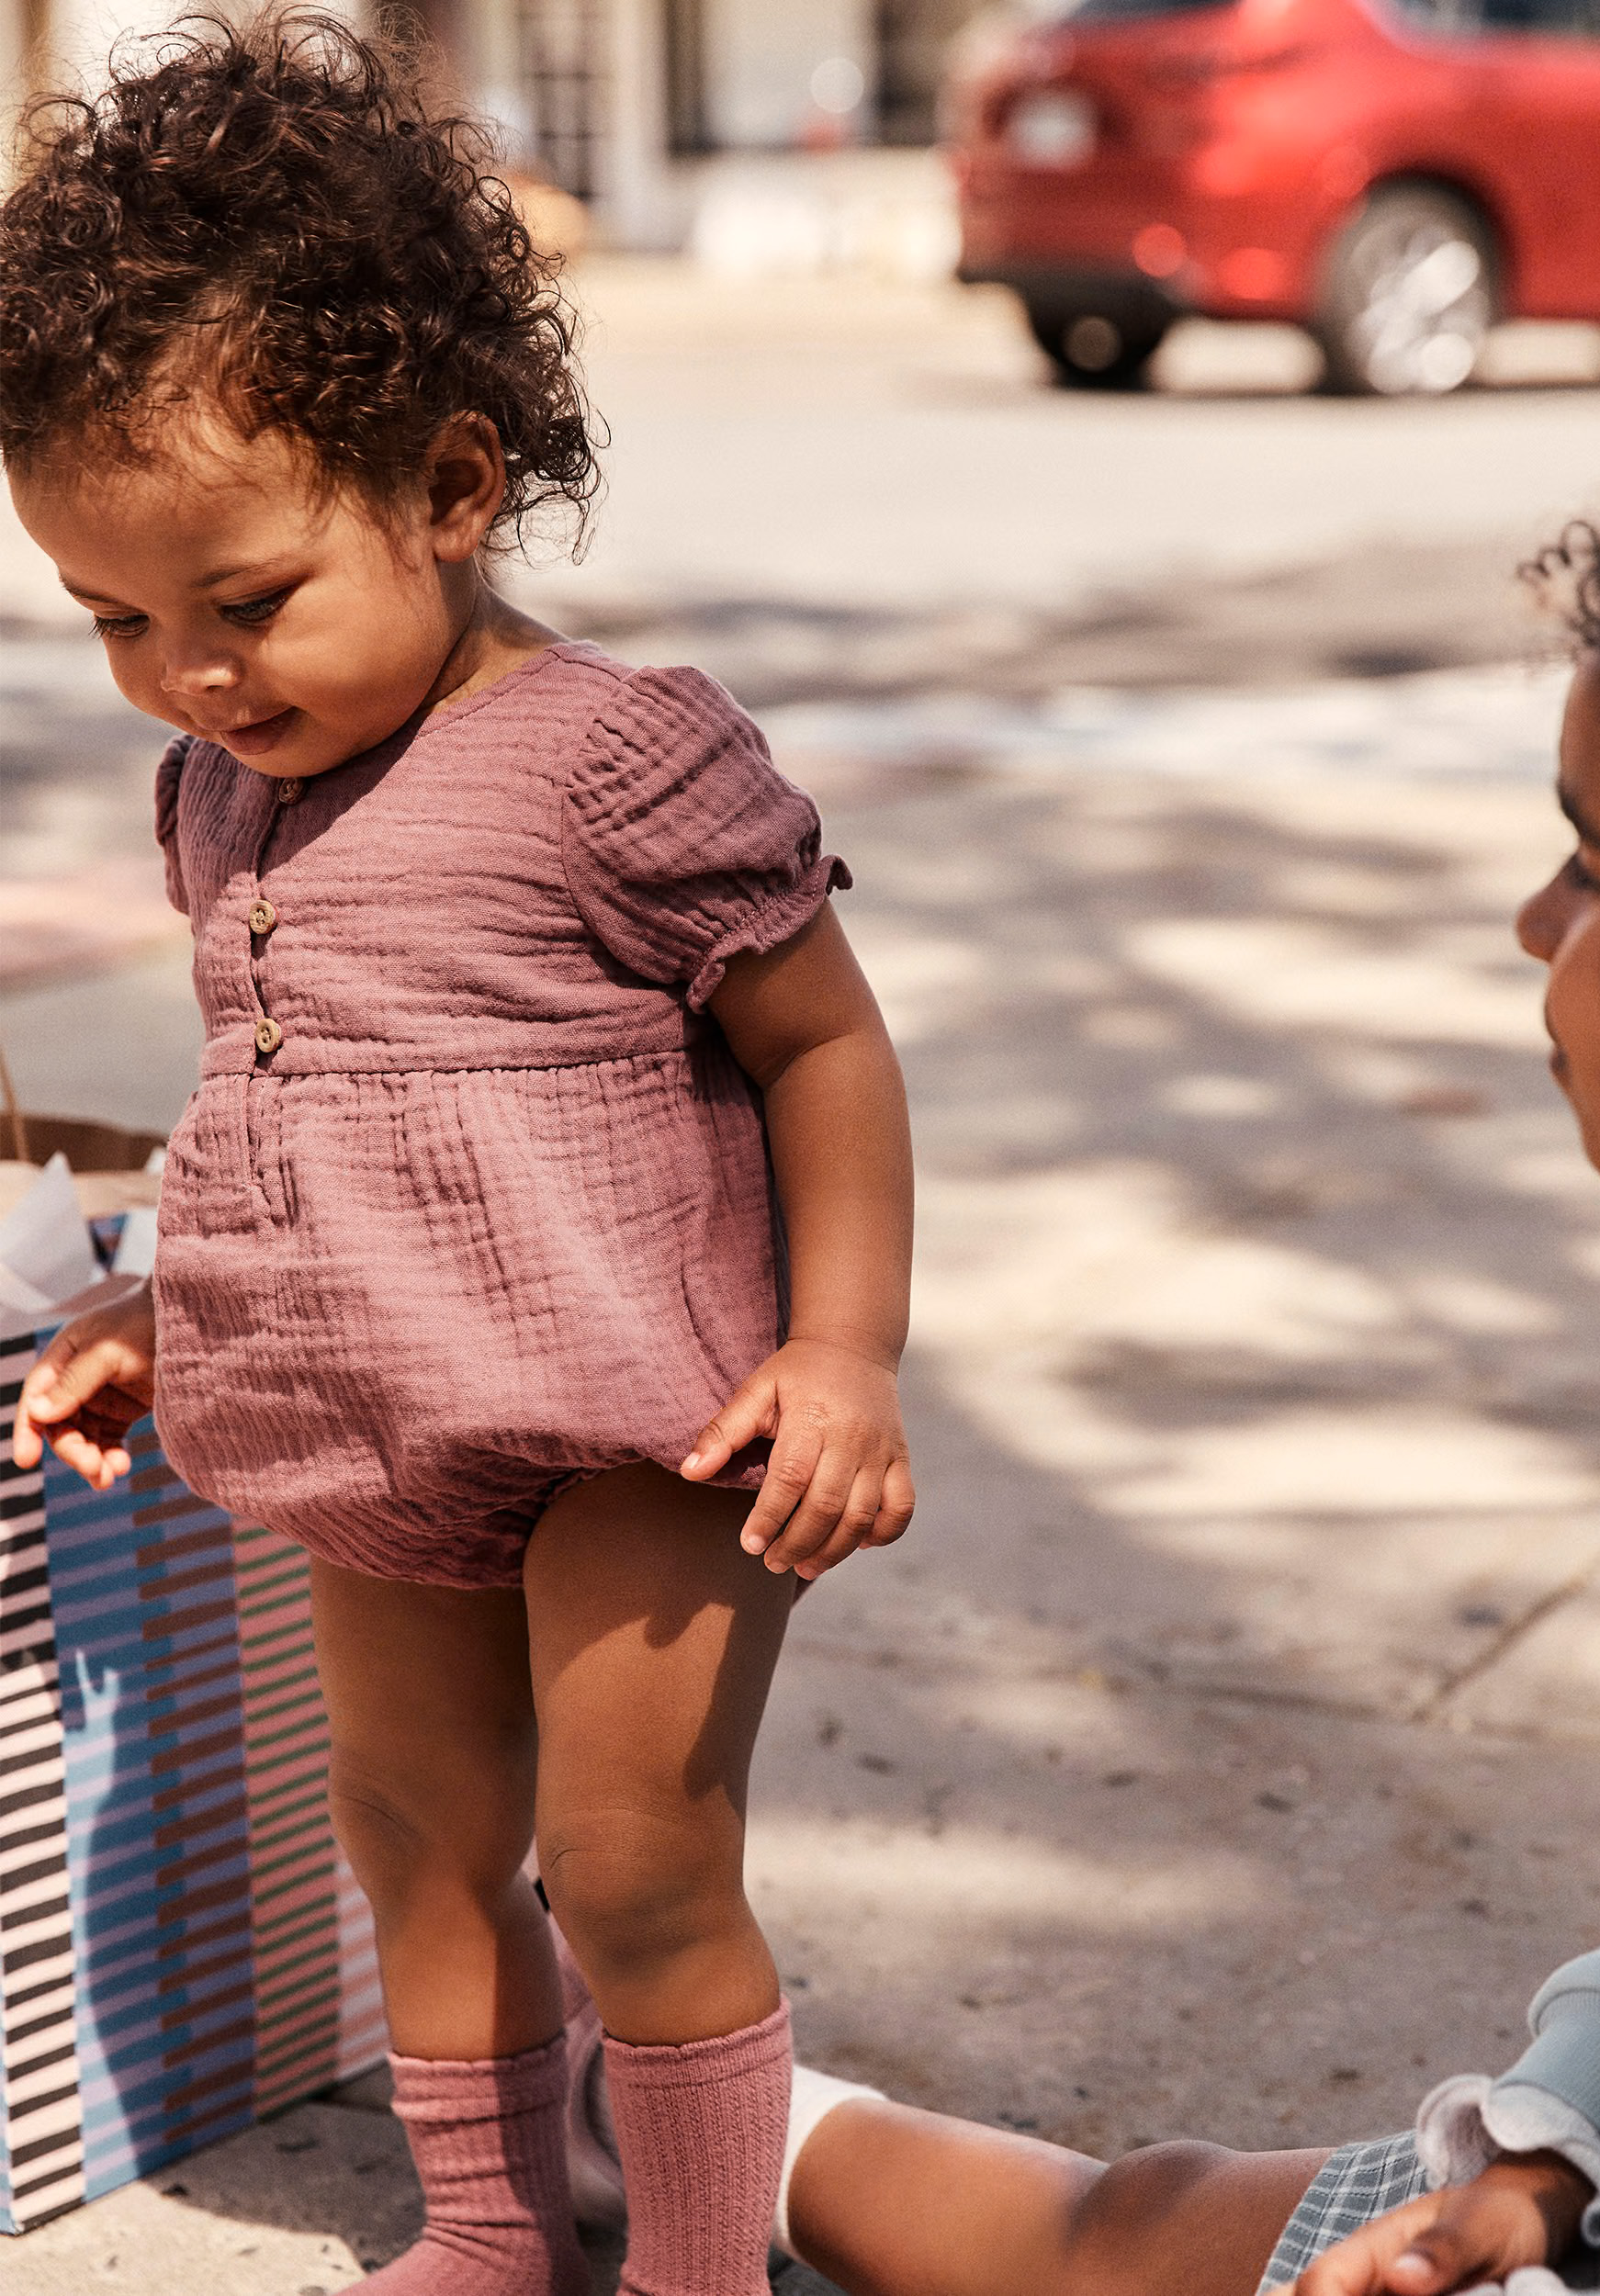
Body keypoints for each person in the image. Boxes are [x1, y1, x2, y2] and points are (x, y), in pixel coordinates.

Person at [0, 17, 916, 2296]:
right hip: (375, 1407)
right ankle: (492, 2235)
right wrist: (162, 1299)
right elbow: (283, 1093)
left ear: (451, 481)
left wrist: (847, 1355)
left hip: (650, 1406)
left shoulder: (616, 757)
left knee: (634, 1863)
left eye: (247, 597)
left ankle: (698, 2268)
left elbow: (824, 1046)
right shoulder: (227, 793)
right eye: (116, 619)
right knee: (413, 1834)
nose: (190, 676)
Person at [760, 463, 1600, 2296]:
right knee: (1141, 2211)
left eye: (1592, 859)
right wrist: (1540, 2152)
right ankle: (703, 2118)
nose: (1528, 919)